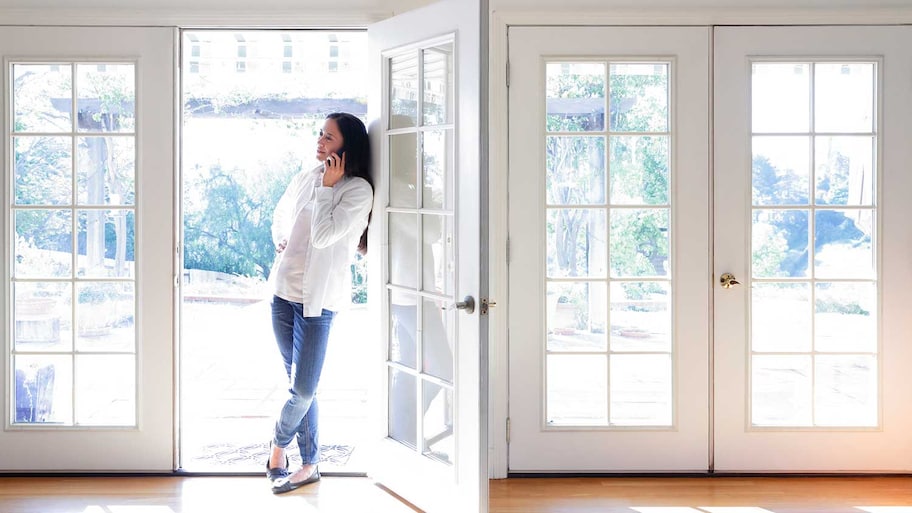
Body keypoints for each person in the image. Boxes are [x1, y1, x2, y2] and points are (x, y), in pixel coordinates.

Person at [266, 112, 374, 494]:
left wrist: (329, 187)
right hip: (282, 294)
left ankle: (277, 449)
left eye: (329, 138)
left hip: (317, 303)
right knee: (299, 386)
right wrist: (281, 238)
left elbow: (325, 236)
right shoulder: (307, 176)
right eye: (320, 134)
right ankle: (310, 464)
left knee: (304, 390)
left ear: (346, 148)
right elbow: (282, 214)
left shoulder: (358, 191)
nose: (320, 142)